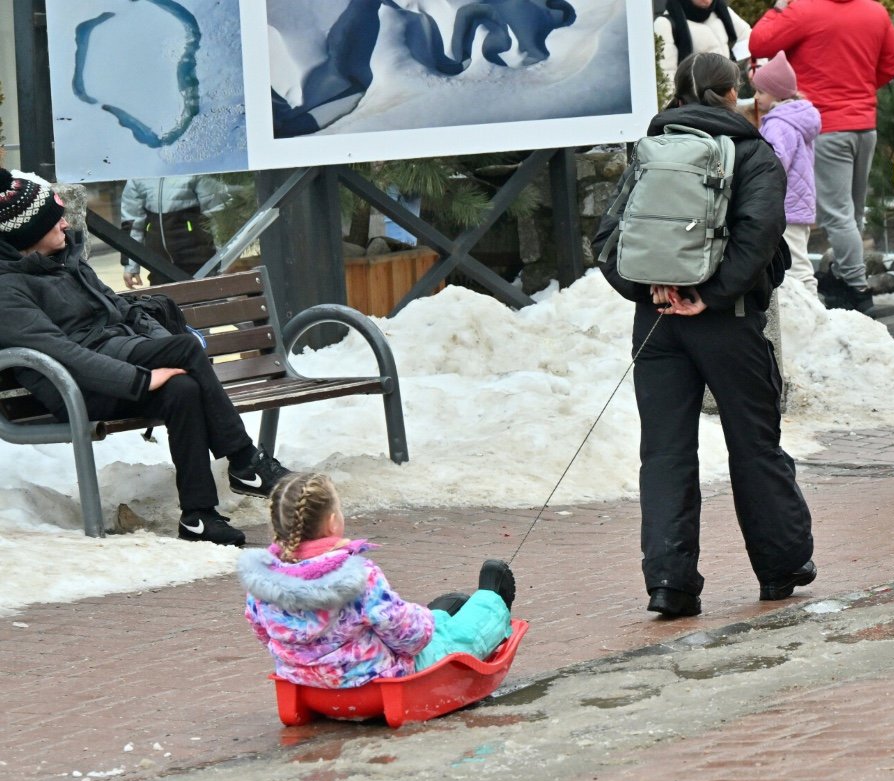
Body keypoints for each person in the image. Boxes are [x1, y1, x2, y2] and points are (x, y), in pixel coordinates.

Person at [594, 53, 816, 619]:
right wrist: (710, 296)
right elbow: (760, 235)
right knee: (753, 441)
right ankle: (780, 566)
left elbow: (609, 237)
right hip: (728, 320)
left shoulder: (649, 151)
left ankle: (669, 583)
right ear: (732, 90)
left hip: (658, 324)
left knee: (665, 452)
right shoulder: (752, 151)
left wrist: (651, 292)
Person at [0, 169, 289, 545]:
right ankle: (245, 460)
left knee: (182, 389)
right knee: (185, 348)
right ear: (24, 233)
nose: (66, 223)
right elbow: (64, 355)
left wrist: (159, 347)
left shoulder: (66, 261)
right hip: (74, 388)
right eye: (54, 219)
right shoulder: (8, 290)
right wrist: (141, 378)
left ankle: (198, 517)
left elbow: (123, 310)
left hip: (114, 359)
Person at [239, 472, 516, 689]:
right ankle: (491, 600)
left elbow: (263, 632)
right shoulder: (358, 577)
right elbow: (411, 639)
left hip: (304, 681)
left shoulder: (264, 582)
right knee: (450, 641)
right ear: (333, 522)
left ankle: (441, 614)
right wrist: (425, 625)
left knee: (420, 621)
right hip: (374, 680)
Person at [749, 0, 894, 315]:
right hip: (864, 124)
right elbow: (893, 63)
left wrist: (779, 7)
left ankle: (857, 289)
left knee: (837, 215)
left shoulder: (804, 9)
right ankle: (846, 276)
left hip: (829, 125)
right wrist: (856, 88)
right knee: (852, 212)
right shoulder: (874, 10)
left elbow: (759, 42)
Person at [752, 50, 821, 294]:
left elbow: (774, 163)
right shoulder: (794, 118)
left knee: (798, 266)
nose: (756, 97)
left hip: (787, 206)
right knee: (796, 260)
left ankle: (815, 313)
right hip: (796, 204)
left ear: (778, 93)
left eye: (761, 91)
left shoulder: (779, 124)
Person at [121, 175, 229, 288]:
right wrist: (130, 266)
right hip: (158, 265)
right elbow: (132, 223)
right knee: (164, 302)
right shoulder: (139, 174)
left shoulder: (195, 169)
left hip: (199, 262)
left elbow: (218, 216)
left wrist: (225, 260)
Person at [653, 0, 752, 82]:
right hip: (695, 102)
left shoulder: (722, 11)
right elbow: (666, 78)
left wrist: (753, 68)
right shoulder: (665, 24)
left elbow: (752, 42)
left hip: (730, 96)